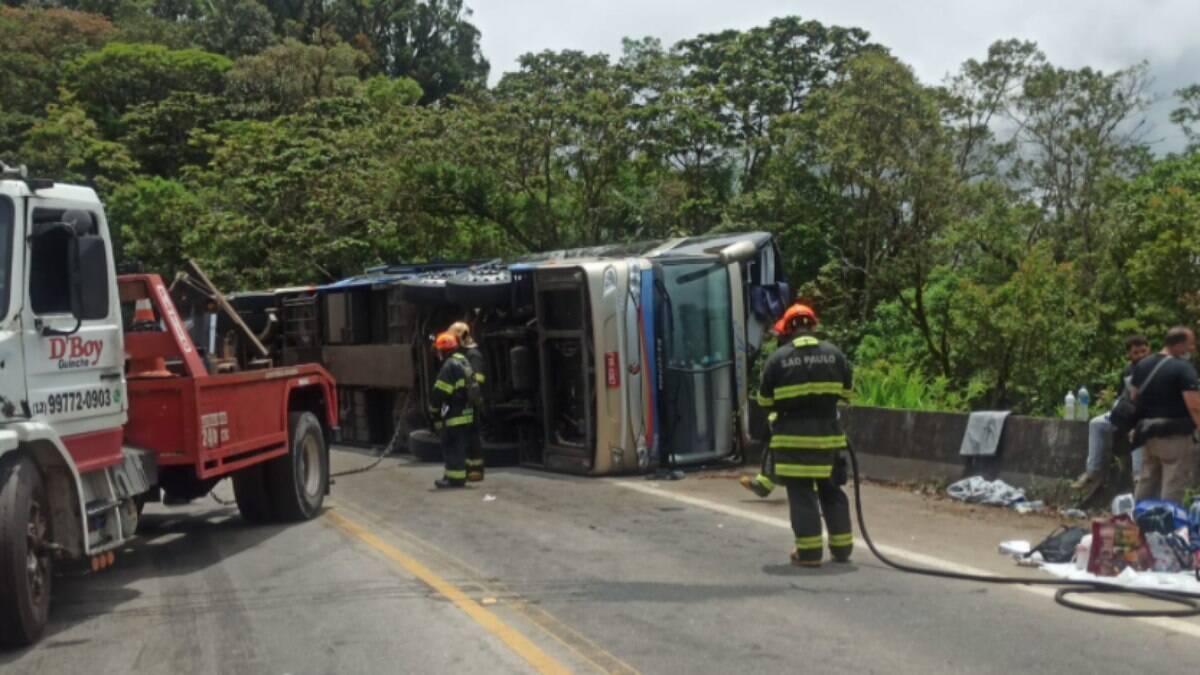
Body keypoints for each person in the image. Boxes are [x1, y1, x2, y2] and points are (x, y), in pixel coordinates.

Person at [739, 303, 854, 567]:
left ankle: (810, 554)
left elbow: (765, 401)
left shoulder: (778, 360)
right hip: (829, 439)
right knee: (832, 490)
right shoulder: (835, 355)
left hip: (793, 442)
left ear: (788, 330)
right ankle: (842, 548)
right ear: (812, 326)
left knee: (802, 494)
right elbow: (846, 395)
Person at [1070, 335, 1150, 492]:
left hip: (1147, 413)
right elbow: (1121, 396)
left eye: (1143, 351)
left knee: (1137, 430)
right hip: (1127, 411)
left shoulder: (1155, 367)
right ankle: (1092, 471)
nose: (1140, 356)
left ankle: (1138, 476)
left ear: (1149, 350)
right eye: (1136, 353)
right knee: (1097, 423)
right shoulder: (1127, 371)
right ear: (1129, 354)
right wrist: (1117, 411)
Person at [1130, 327, 1200, 505]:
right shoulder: (1183, 368)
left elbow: (1133, 396)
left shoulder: (1143, 365)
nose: (1192, 349)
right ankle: (1168, 527)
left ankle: (1139, 525)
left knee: (1147, 481)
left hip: (1148, 434)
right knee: (1174, 484)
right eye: (1191, 344)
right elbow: (1194, 406)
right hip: (1174, 436)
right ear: (1180, 345)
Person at [429, 331, 476, 489]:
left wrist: (434, 412)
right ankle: (455, 474)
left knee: (451, 445)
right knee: (460, 446)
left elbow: (439, 393)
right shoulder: (464, 361)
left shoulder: (449, 366)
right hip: (467, 413)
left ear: (443, 350)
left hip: (454, 414)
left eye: (438, 350)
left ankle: (454, 479)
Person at [448, 321, 486, 482]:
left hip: (471, 403)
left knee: (472, 437)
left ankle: (475, 470)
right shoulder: (462, 355)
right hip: (463, 403)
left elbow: (478, 379)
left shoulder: (473, 355)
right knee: (464, 437)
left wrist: (462, 388)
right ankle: (467, 469)